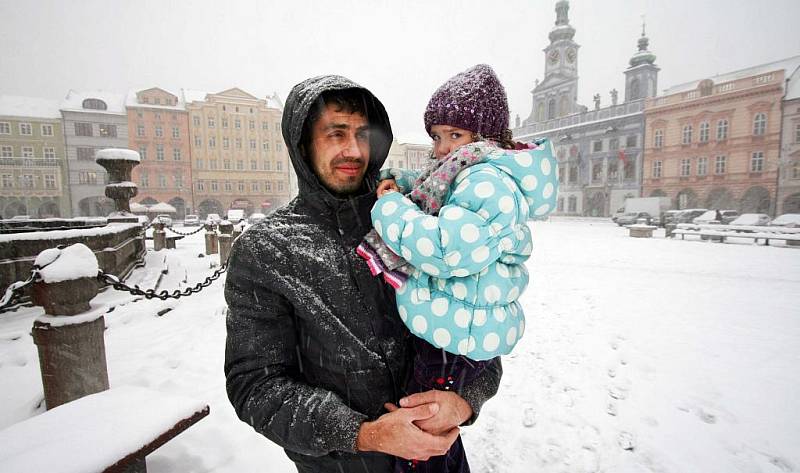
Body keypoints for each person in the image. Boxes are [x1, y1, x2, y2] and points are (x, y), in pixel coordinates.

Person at [224, 75, 502, 473]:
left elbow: (479, 327)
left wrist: (462, 401)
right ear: (303, 143)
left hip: (439, 462)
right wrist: (364, 433)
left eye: (362, 134)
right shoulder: (267, 250)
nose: (353, 150)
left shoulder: (416, 222)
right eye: (335, 133)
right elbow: (255, 386)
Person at [359, 64, 559, 472]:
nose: (443, 148)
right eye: (437, 135)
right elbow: (437, 189)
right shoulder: (473, 172)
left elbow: (447, 249)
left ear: (485, 137)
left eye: (456, 135)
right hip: (453, 323)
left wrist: (390, 207)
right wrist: (401, 180)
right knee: (430, 426)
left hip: (455, 335)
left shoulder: (489, 182)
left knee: (425, 428)